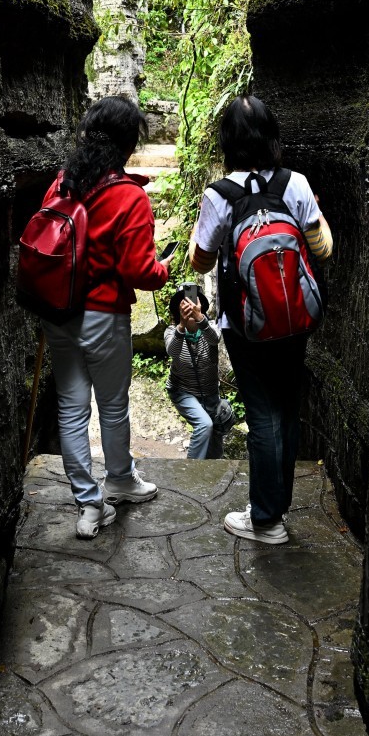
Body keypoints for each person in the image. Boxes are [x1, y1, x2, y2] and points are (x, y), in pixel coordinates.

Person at [188, 94, 332, 545]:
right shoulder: (297, 184)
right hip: (295, 317)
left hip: (245, 324)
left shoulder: (219, 194)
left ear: (227, 142)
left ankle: (266, 518)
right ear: (272, 137)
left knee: (262, 412)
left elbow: (198, 261)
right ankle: (277, 506)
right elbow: (323, 249)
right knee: (287, 406)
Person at [39, 95, 172, 538]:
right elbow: (140, 271)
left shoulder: (61, 183)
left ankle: (89, 506)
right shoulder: (129, 196)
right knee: (113, 406)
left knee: (71, 409)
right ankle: (120, 478)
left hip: (58, 313)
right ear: (128, 143)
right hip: (102, 315)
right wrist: (166, 269)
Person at [164, 284, 226, 460]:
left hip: (210, 393)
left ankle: (213, 474)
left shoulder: (211, 327)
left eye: (193, 302)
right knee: (204, 425)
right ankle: (191, 471)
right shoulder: (172, 331)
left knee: (216, 436)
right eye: (184, 304)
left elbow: (215, 339)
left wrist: (200, 318)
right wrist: (182, 325)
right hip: (182, 390)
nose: (189, 307)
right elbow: (172, 352)